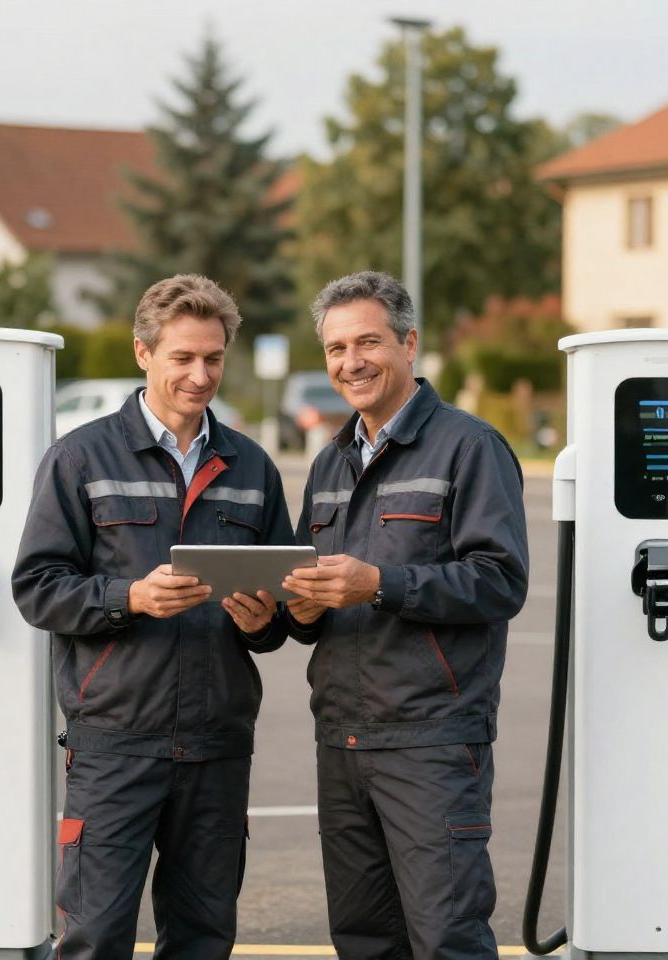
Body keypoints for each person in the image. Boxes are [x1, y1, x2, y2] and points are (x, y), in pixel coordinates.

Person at [13, 274, 294, 960]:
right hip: (115, 743)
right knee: (94, 937)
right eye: (183, 358)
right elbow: (37, 588)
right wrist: (128, 598)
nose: (201, 376)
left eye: (214, 359)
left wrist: (263, 620)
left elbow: (282, 612)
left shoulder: (252, 468)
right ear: (143, 354)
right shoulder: (80, 458)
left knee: (202, 939)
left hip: (217, 744)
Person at [282, 271, 529, 959]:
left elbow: (500, 581)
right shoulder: (331, 463)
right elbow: (317, 595)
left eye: (368, 342)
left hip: (432, 737)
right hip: (342, 735)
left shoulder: (468, 447)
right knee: (363, 939)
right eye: (335, 348)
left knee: (446, 936)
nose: (350, 362)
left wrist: (381, 584)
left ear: (409, 343)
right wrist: (288, 611)